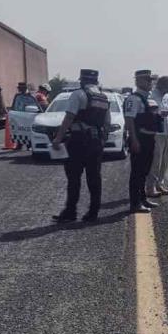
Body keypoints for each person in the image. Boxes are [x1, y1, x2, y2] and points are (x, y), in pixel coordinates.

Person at [49, 69, 111, 222]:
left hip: (78, 140)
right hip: (96, 142)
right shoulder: (103, 97)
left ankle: (71, 212)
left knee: (74, 178)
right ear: (96, 81)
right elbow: (107, 123)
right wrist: (103, 140)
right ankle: (93, 212)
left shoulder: (78, 94)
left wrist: (58, 138)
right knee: (94, 177)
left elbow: (69, 118)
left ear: (82, 80)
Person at [124, 69, 160, 214]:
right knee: (137, 173)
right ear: (138, 81)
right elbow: (129, 120)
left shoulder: (149, 98)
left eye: (151, 80)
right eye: (147, 80)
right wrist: (134, 140)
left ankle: (142, 199)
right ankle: (135, 203)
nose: (150, 83)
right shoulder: (134, 99)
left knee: (145, 172)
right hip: (140, 138)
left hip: (150, 139)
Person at [146, 75, 168, 198]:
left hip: (166, 132)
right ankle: (150, 186)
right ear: (160, 85)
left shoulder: (167, 97)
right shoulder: (152, 95)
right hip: (156, 133)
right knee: (155, 162)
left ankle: (160, 183)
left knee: (164, 161)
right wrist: (159, 114)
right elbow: (149, 113)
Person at [10, 82, 41, 150]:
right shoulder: (17, 96)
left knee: (28, 130)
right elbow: (13, 104)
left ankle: (29, 145)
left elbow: (37, 105)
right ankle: (19, 145)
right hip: (18, 116)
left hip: (28, 116)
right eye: (19, 88)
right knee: (18, 130)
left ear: (25, 88)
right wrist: (11, 112)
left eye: (21, 88)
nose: (20, 89)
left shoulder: (30, 96)